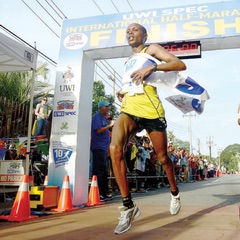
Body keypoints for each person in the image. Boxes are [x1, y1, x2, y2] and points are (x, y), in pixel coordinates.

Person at [109, 23, 187, 235]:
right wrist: (123, 90)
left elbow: (179, 64)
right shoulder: (127, 61)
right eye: (127, 31)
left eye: (135, 30)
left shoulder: (150, 50)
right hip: (129, 109)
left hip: (152, 111)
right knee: (115, 148)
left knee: (163, 158)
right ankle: (128, 206)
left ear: (144, 35)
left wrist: (152, 67)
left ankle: (174, 192)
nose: (130, 33)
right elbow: (135, 82)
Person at [91, 100, 115, 201]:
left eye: (108, 106)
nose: (108, 108)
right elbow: (98, 130)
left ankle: (104, 193)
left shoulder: (104, 118)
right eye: (106, 106)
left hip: (104, 148)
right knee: (99, 170)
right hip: (98, 147)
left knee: (104, 171)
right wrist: (109, 126)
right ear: (101, 107)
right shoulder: (97, 117)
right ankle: (99, 193)